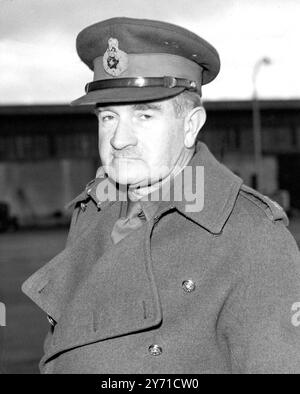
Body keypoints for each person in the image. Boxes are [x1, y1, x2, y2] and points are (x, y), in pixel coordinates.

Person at [22, 17, 300, 374]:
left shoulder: (252, 236)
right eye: (108, 117)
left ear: (190, 125)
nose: (119, 139)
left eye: (145, 116)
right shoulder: (95, 211)